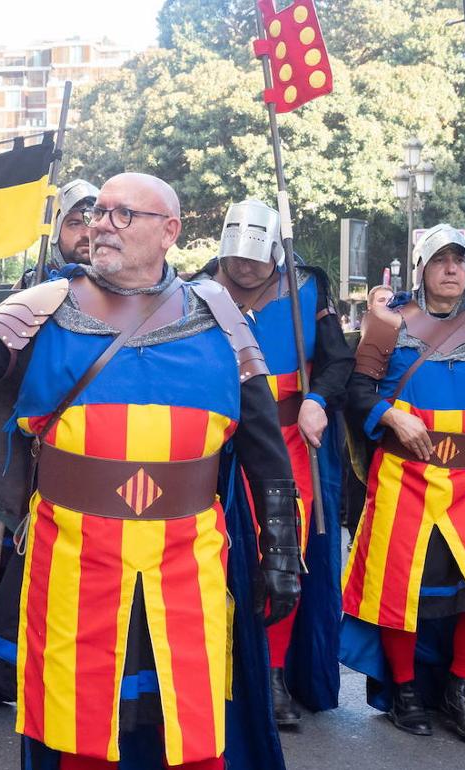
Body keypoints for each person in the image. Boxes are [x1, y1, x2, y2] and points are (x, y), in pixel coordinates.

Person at [0, 173, 300, 769]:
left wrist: (281, 554)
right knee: (79, 724)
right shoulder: (47, 305)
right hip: (75, 557)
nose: (102, 224)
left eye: (124, 215)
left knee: (191, 724)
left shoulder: (221, 316)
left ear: (169, 231)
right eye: (99, 212)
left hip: (188, 560)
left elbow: (265, 456)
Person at [342, 223, 465, 744]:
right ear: (422, 268)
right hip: (404, 475)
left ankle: (462, 687)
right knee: (396, 588)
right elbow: (356, 392)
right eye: (440, 260)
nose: (452, 269)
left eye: (460, 260)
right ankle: (403, 691)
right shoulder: (388, 325)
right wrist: (389, 415)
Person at [197, 198, 354, 726]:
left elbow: (338, 363)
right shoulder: (196, 290)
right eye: (236, 259)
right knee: (214, 556)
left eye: (256, 260)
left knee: (284, 555)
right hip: (218, 442)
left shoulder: (308, 288)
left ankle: (275, 674)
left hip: (290, 439)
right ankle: (219, 671)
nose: (245, 269)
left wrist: (318, 399)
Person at [16, 178, 99, 288]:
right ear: (57, 231)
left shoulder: (121, 283)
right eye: (75, 224)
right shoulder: (32, 282)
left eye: (93, 223)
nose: (87, 234)